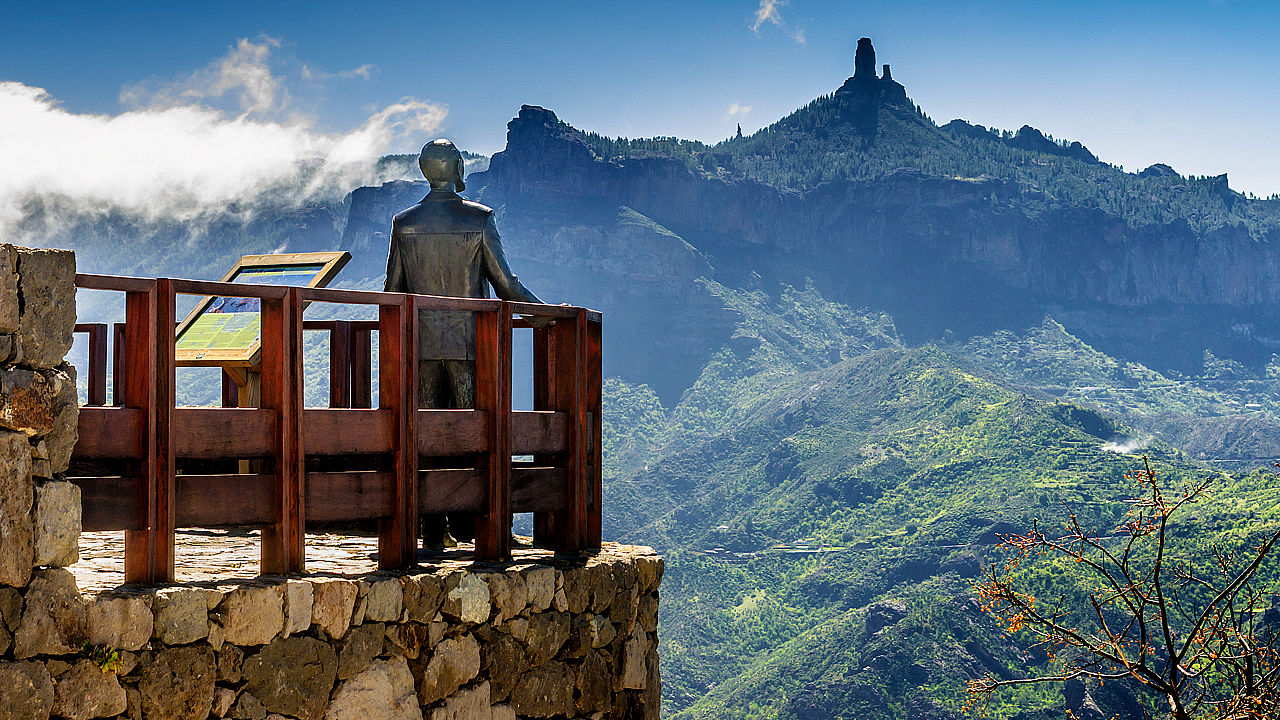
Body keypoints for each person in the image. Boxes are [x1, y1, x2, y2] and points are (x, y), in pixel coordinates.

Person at [384, 138, 544, 546]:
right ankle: (474, 525)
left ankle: (432, 530)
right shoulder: (480, 219)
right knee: (473, 435)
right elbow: (506, 285)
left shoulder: (404, 224)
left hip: (420, 350)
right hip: (471, 348)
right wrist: (546, 312)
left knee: (428, 437)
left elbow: (393, 292)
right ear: (456, 168)